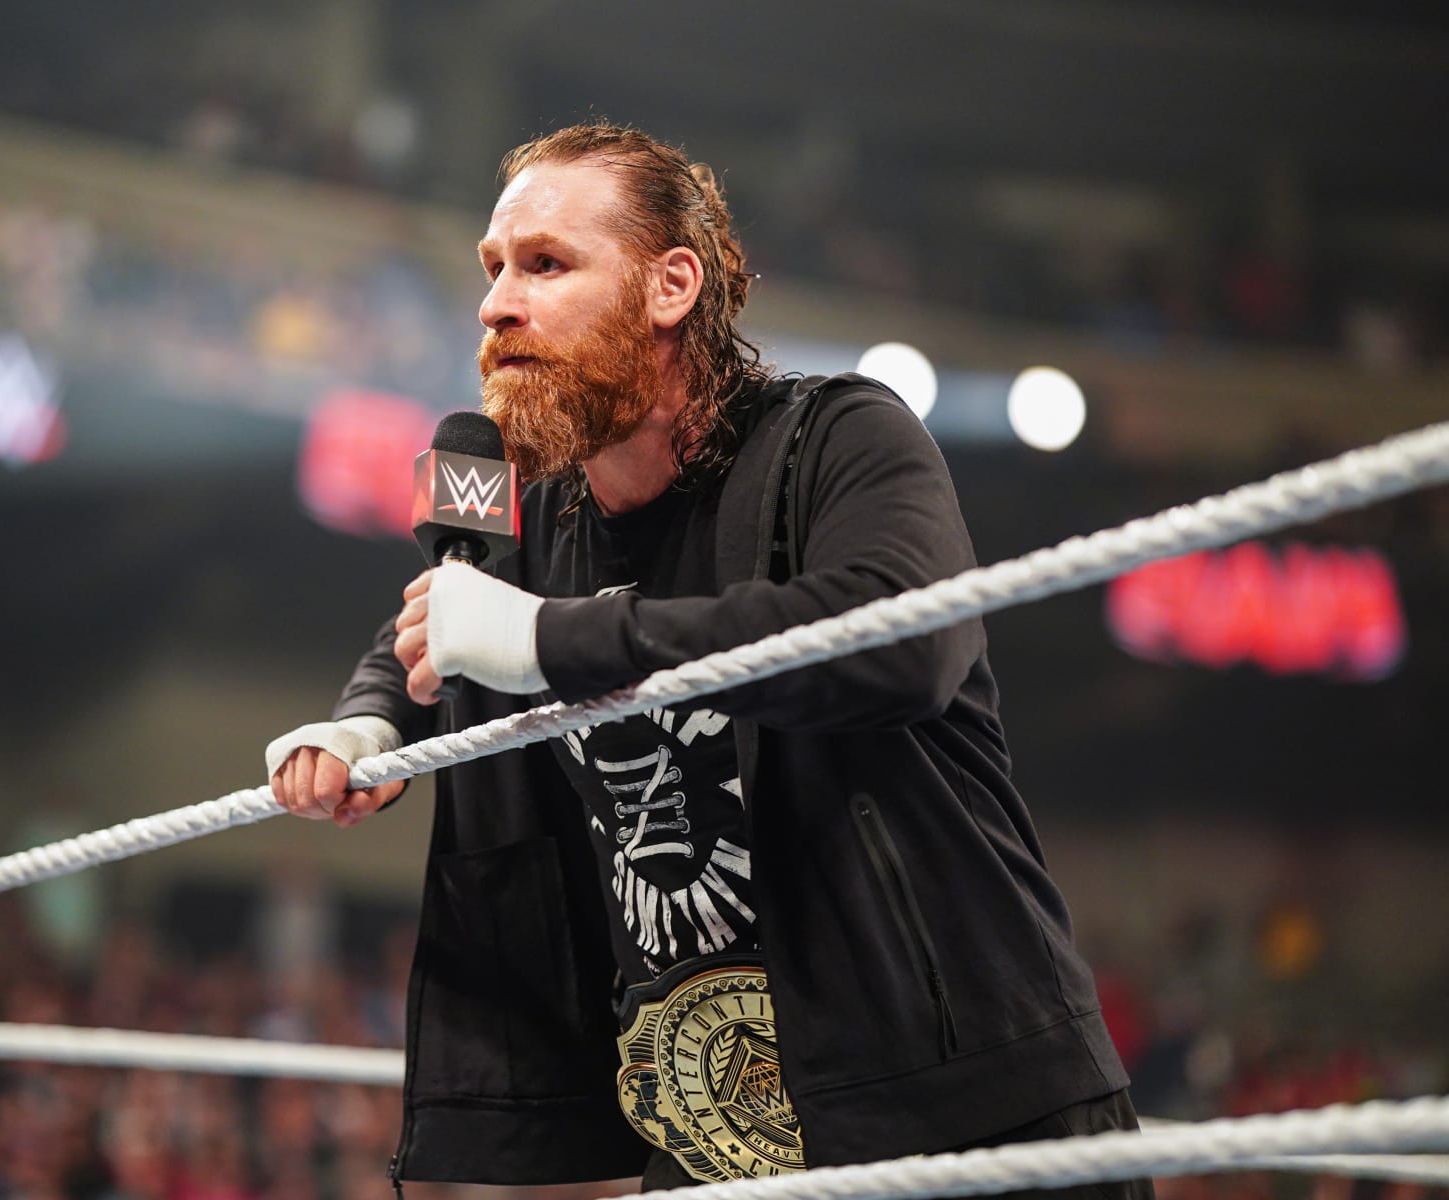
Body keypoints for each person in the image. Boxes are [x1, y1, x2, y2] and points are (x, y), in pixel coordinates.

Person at [266, 123, 1147, 1197]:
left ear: (671, 286)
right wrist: (367, 720)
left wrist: (545, 640)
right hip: (710, 1139)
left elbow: (904, 643)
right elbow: (435, 617)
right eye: (493, 268)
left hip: (963, 1115)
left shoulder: (842, 436)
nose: (496, 304)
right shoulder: (526, 507)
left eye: (545, 264)